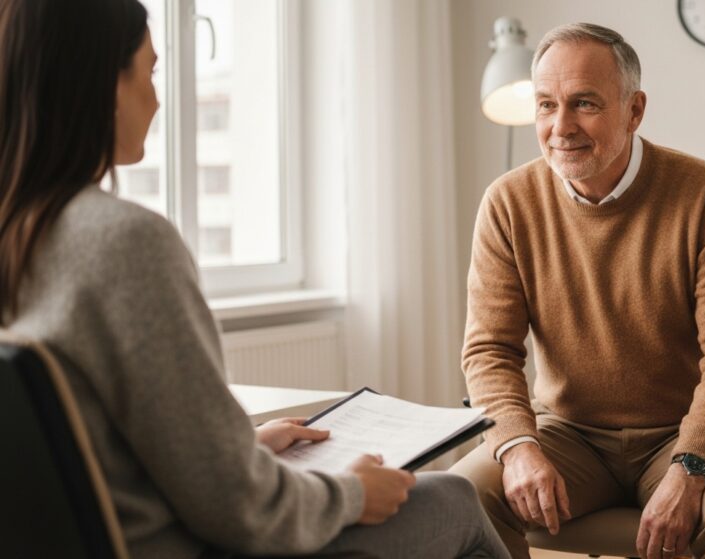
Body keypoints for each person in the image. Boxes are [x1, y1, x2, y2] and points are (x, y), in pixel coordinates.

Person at [0, 1, 509, 558]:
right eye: (150, 71)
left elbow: (99, 453)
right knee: (453, 500)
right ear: (102, 83)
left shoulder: (19, 235)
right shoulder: (124, 244)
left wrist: (244, 448)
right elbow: (239, 507)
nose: (158, 99)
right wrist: (351, 494)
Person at [450, 22, 705, 559]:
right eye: (546, 105)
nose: (561, 127)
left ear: (634, 110)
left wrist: (691, 466)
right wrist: (517, 446)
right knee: (461, 495)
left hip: (681, 431)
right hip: (567, 434)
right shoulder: (508, 203)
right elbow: (489, 350)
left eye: (584, 103)